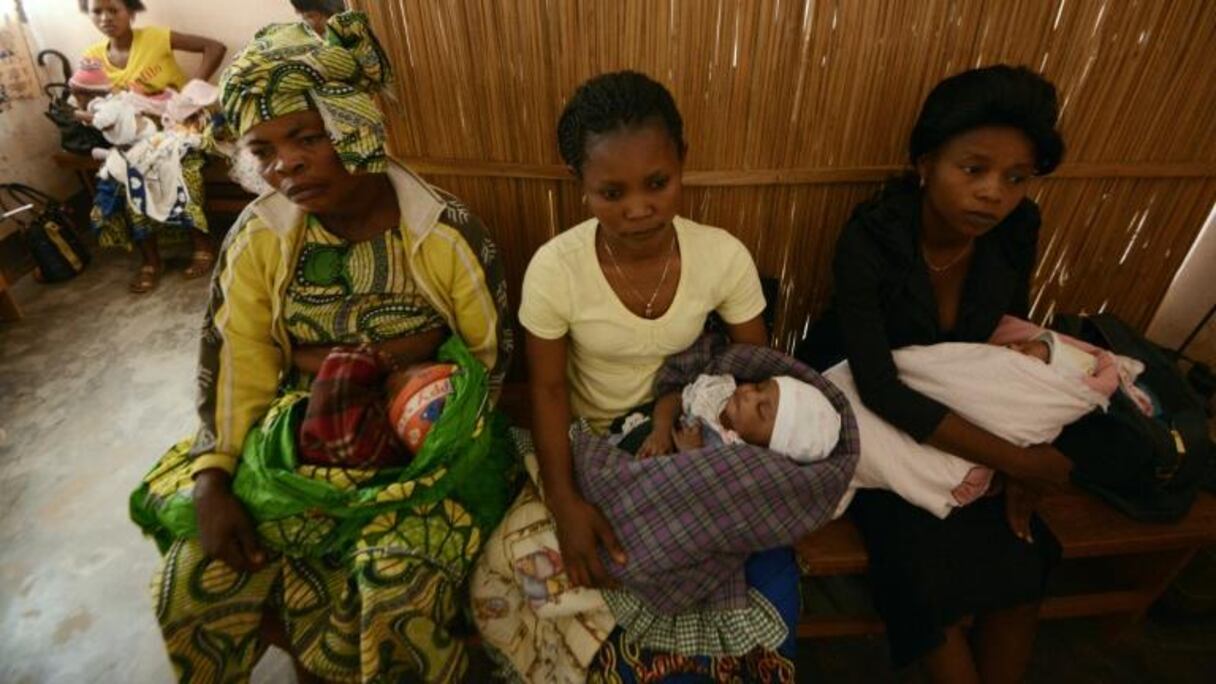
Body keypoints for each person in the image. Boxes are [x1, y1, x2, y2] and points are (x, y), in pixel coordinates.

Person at [128, 14, 515, 683]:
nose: (288, 163)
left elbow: (487, 361)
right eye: (265, 150)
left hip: (424, 444)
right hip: (292, 437)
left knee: (392, 582)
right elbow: (236, 359)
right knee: (191, 578)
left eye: (308, 137)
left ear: (353, 123)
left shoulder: (447, 233)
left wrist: (391, 381)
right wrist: (215, 478)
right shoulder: (258, 241)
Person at [472, 70, 803, 682]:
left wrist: (729, 459)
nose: (639, 208)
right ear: (582, 187)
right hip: (597, 445)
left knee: (765, 570)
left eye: (658, 183)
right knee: (599, 567)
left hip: (698, 437)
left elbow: (755, 368)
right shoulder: (555, 270)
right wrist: (566, 499)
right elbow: (546, 390)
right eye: (611, 192)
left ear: (684, 162)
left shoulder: (721, 255)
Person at [797, 64, 1070, 682]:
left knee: (1022, 551)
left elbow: (999, 349)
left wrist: (1026, 447)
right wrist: (1017, 459)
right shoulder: (874, 239)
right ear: (925, 164)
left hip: (963, 417)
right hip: (870, 422)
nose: (994, 193)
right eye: (973, 169)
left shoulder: (1014, 232)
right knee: (919, 568)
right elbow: (880, 388)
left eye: (1015, 178)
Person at [80, 0, 226, 292]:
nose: (106, 17)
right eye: (97, 11)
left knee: (183, 171)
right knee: (124, 176)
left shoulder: (156, 37)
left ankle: (201, 244)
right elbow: (83, 93)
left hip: (181, 125)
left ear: (131, 11)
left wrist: (189, 93)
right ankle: (151, 259)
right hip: (135, 136)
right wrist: (94, 113)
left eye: (114, 9)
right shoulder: (93, 58)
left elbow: (215, 47)